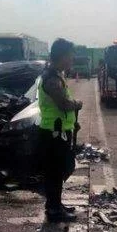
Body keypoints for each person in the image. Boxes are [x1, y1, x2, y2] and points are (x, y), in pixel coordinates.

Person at [38, 38, 83, 222]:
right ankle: (54, 209)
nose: (72, 60)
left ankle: (55, 204)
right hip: (54, 133)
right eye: (70, 56)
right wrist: (77, 104)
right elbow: (63, 104)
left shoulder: (56, 76)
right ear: (62, 56)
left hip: (58, 131)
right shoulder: (51, 79)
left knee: (59, 169)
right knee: (57, 171)